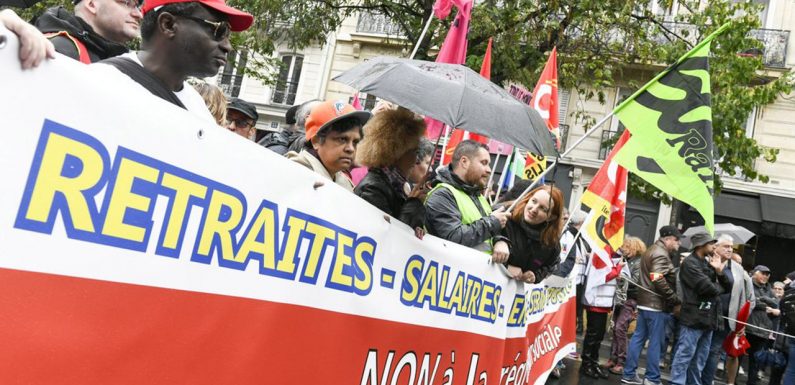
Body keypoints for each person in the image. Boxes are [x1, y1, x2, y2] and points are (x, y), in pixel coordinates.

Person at [96, 0, 253, 123]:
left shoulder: (199, 112)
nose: (227, 46)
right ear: (168, 25)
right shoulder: (100, 83)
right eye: (219, 30)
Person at [424, 140, 510, 262]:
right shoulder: (442, 195)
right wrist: (492, 222)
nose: (489, 170)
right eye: (483, 163)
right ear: (464, 162)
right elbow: (453, 238)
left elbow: (487, 236)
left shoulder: (479, 197)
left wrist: (500, 240)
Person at [622, 225, 683, 385]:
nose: (678, 244)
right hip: (656, 305)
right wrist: (674, 298)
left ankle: (628, 374)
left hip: (645, 303)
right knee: (656, 342)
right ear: (668, 238)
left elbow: (654, 277)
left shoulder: (652, 250)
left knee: (638, 338)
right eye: (677, 240)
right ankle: (651, 378)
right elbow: (657, 277)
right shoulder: (661, 253)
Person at [354, 107, 430, 234]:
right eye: (414, 152)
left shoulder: (395, 186)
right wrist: (413, 203)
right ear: (396, 152)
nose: (416, 159)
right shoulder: (373, 189)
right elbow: (390, 237)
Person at [669, 232, 731, 385]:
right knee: (685, 354)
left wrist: (718, 271)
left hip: (708, 317)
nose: (714, 246)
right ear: (700, 245)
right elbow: (708, 289)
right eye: (711, 244)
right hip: (693, 317)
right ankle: (677, 382)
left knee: (700, 358)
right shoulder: (690, 263)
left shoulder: (707, 262)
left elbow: (728, 286)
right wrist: (718, 286)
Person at [700, 235, 754, 385]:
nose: (730, 249)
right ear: (715, 247)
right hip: (703, 314)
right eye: (726, 246)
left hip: (725, 318)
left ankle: (706, 381)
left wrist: (741, 322)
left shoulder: (738, 268)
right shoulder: (704, 262)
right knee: (699, 350)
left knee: (714, 352)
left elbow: (748, 297)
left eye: (731, 247)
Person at [286, 99, 370, 192]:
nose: (351, 149)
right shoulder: (292, 174)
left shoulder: (346, 183)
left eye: (355, 142)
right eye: (342, 139)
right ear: (316, 141)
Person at [34, 0, 142, 63]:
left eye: (137, 6)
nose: (139, 15)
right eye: (127, 3)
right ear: (91, 5)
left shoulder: (127, 61)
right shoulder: (55, 51)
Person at [497, 185, 563, 283]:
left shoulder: (551, 243)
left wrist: (535, 276)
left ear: (551, 217)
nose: (534, 209)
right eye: (534, 201)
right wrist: (505, 266)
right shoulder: (503, 215)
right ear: (528, 199)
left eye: (543, 208)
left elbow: (551, 265)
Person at [608, 236, 646, 375]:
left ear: (635, 248)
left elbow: (636, 282)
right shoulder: (627, 261)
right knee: (615, 329)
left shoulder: (639, 263)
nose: (624, 249)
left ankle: (621, 361)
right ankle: (613, 358)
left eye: (627, 247)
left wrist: (621, 276)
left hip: (630, 300)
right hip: (621, 298)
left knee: (620, 328)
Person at [747, 265, 779, 385]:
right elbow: (751, 301)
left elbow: (776, 303)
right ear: (755, 273)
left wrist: (764, 299)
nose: (765, 276)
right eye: (763, 273)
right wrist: (767, 304)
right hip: (748, 327)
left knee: (756, 361)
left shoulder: (768, 288)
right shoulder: (748, 284)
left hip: (763, 331)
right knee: (737, 356)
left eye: (767, 274)